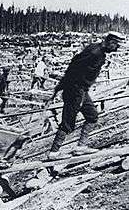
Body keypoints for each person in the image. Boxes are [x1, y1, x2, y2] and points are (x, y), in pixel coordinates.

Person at [46, 32, 125, 160]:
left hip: (81, 90)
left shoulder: (98, 51)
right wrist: (62, 88)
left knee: (92, 116)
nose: (116, 49)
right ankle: (53, 152)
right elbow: (73, 68)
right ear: (111, 42)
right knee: (68, 121)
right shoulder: (94, 53)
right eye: (116, 45)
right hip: (75, 90)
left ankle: (80, 147)